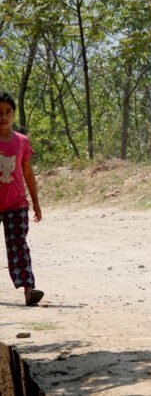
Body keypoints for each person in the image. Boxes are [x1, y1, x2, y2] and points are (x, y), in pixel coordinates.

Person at [0, 92, 44, 306]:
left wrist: (35, 203)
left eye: (8, 112)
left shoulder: (22, 142)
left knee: (19, 246)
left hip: (16, 204)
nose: (3, 117)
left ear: (14, 114)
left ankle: (29, 290)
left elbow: (27, 173)